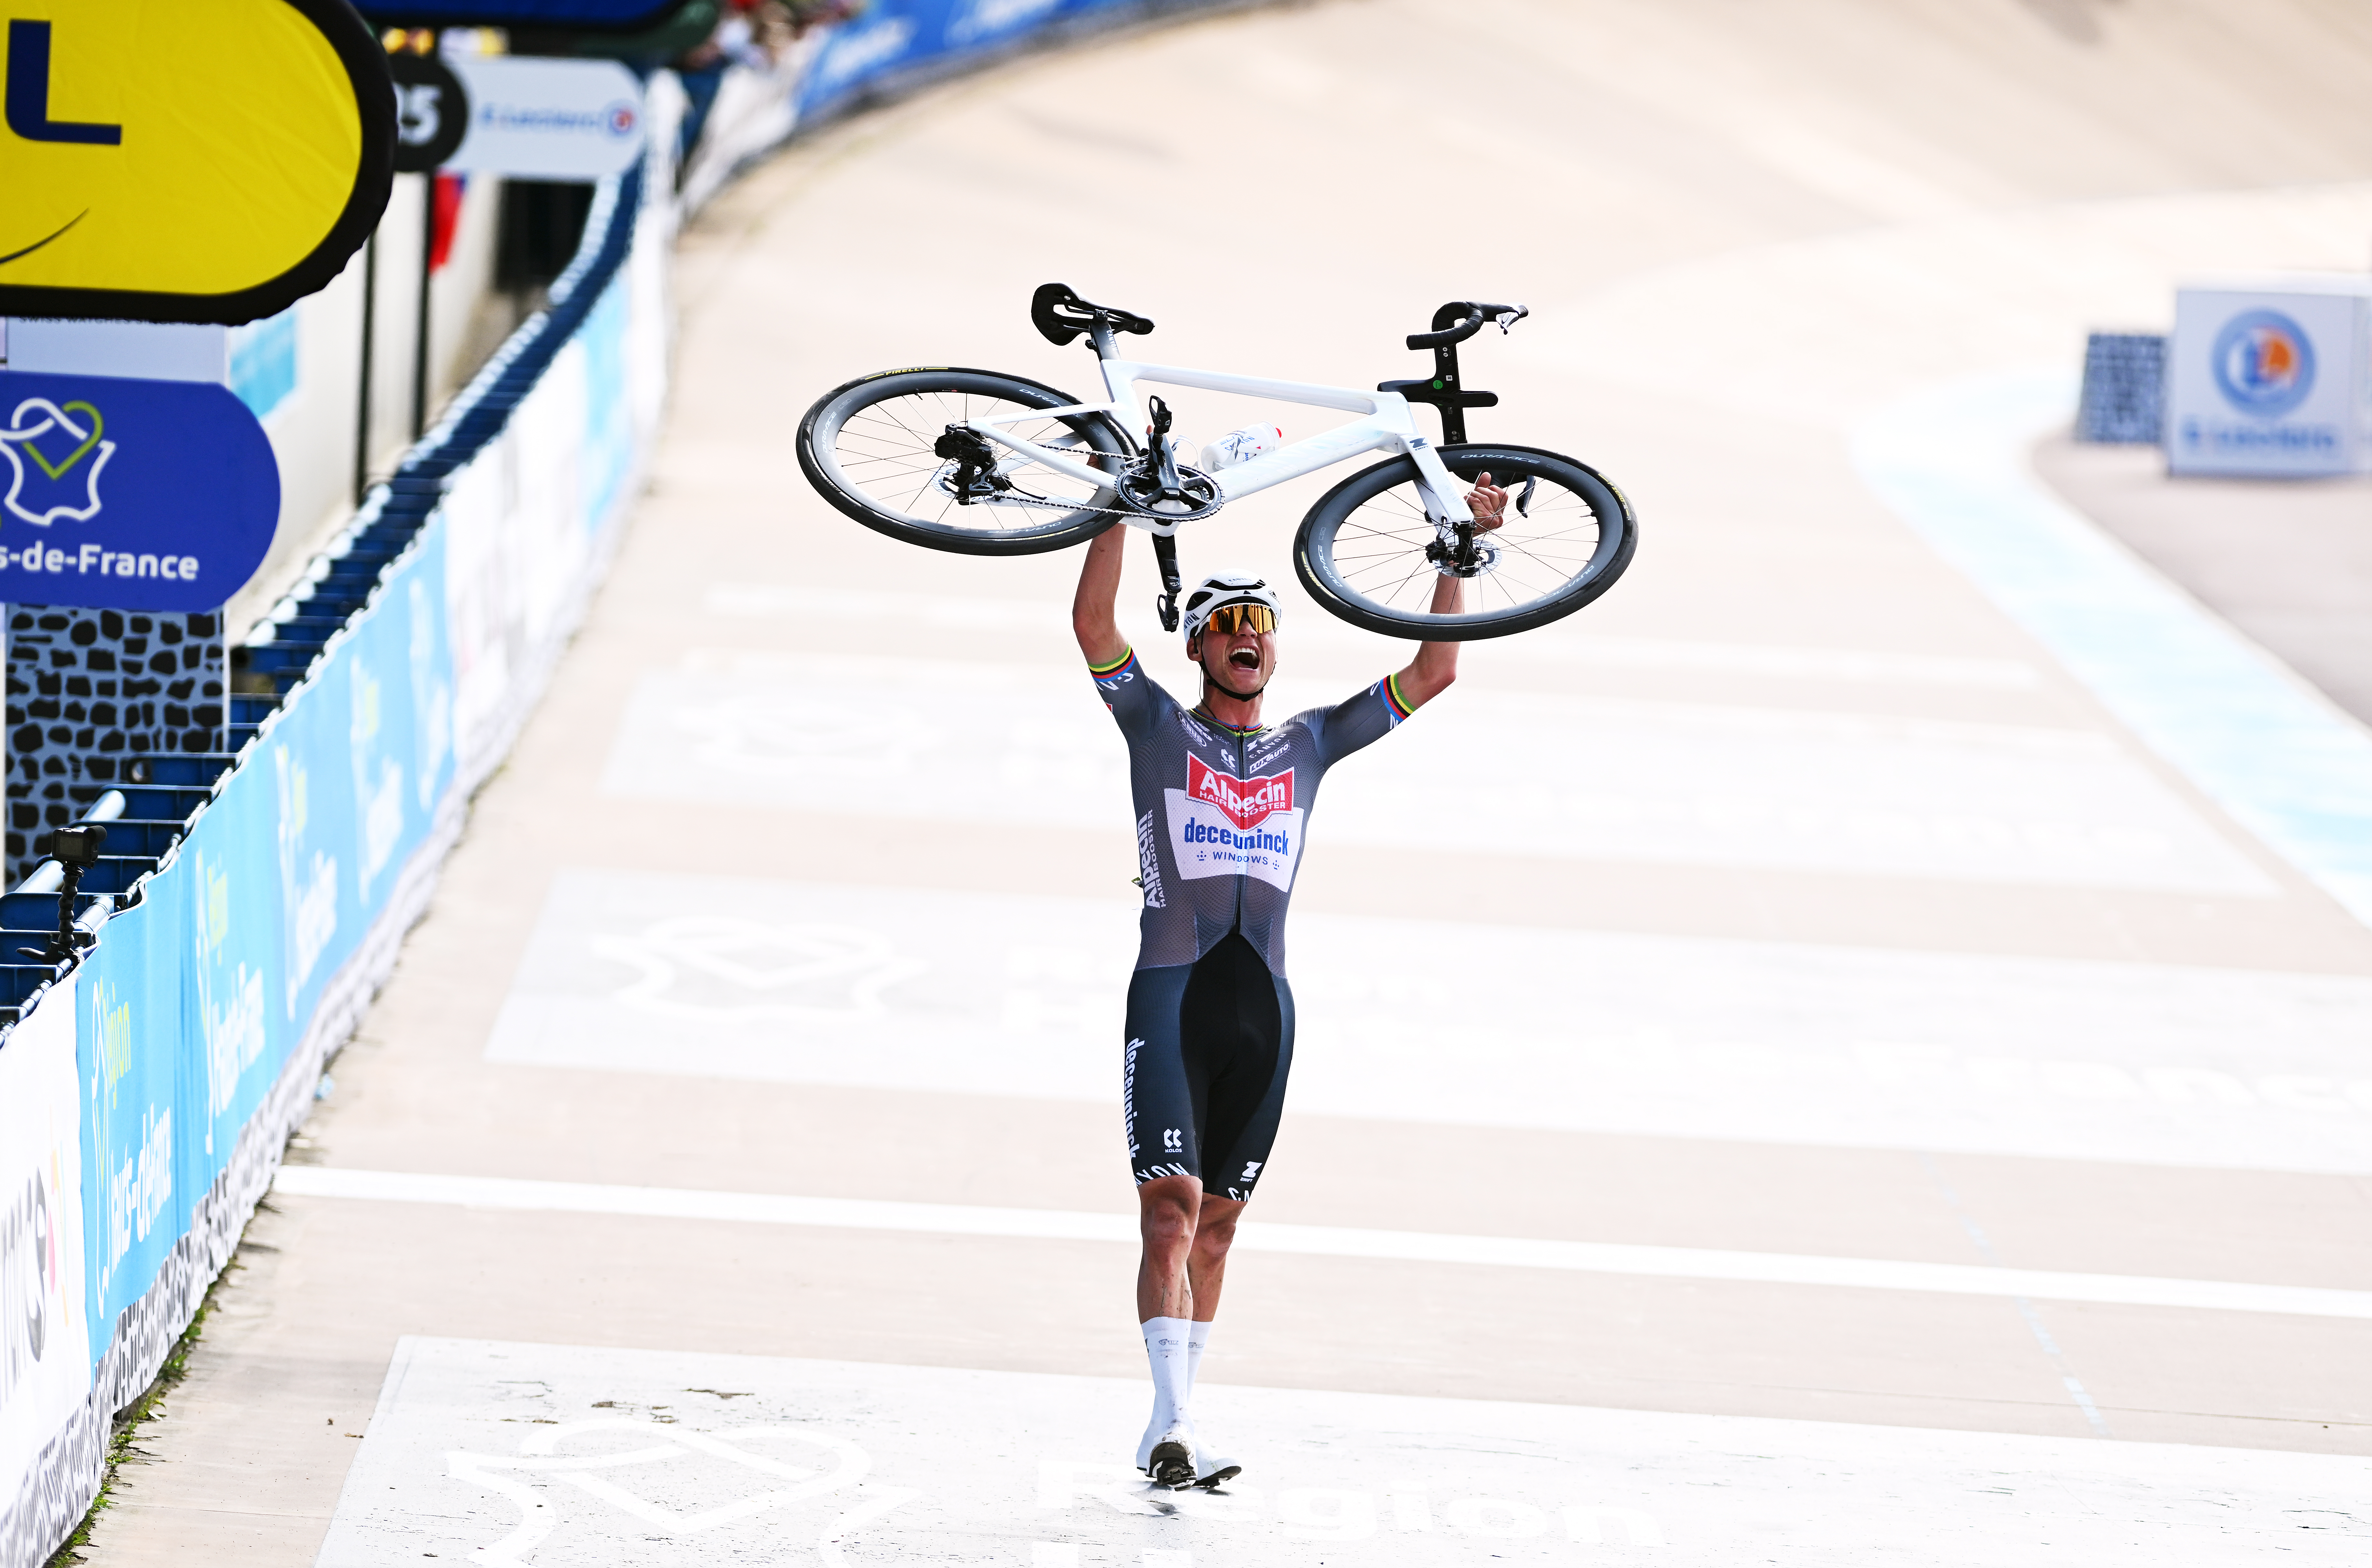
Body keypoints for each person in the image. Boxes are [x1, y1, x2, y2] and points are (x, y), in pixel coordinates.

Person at [1071, 474, 1509, 1489]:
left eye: (1258, 620)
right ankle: (1168, 1423)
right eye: (1224, 621)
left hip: (1264, 1008)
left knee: (1218, 1225)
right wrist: (1115, 509)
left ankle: (1182, 1420)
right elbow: (1094, 619)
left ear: (1274, 643)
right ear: (1197, 645)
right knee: (1171, 1209)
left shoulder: (1310, 740)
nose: (1243, 635)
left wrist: (1457, 549)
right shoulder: (1152, 725)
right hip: (1174, 993)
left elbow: (1434, 672)